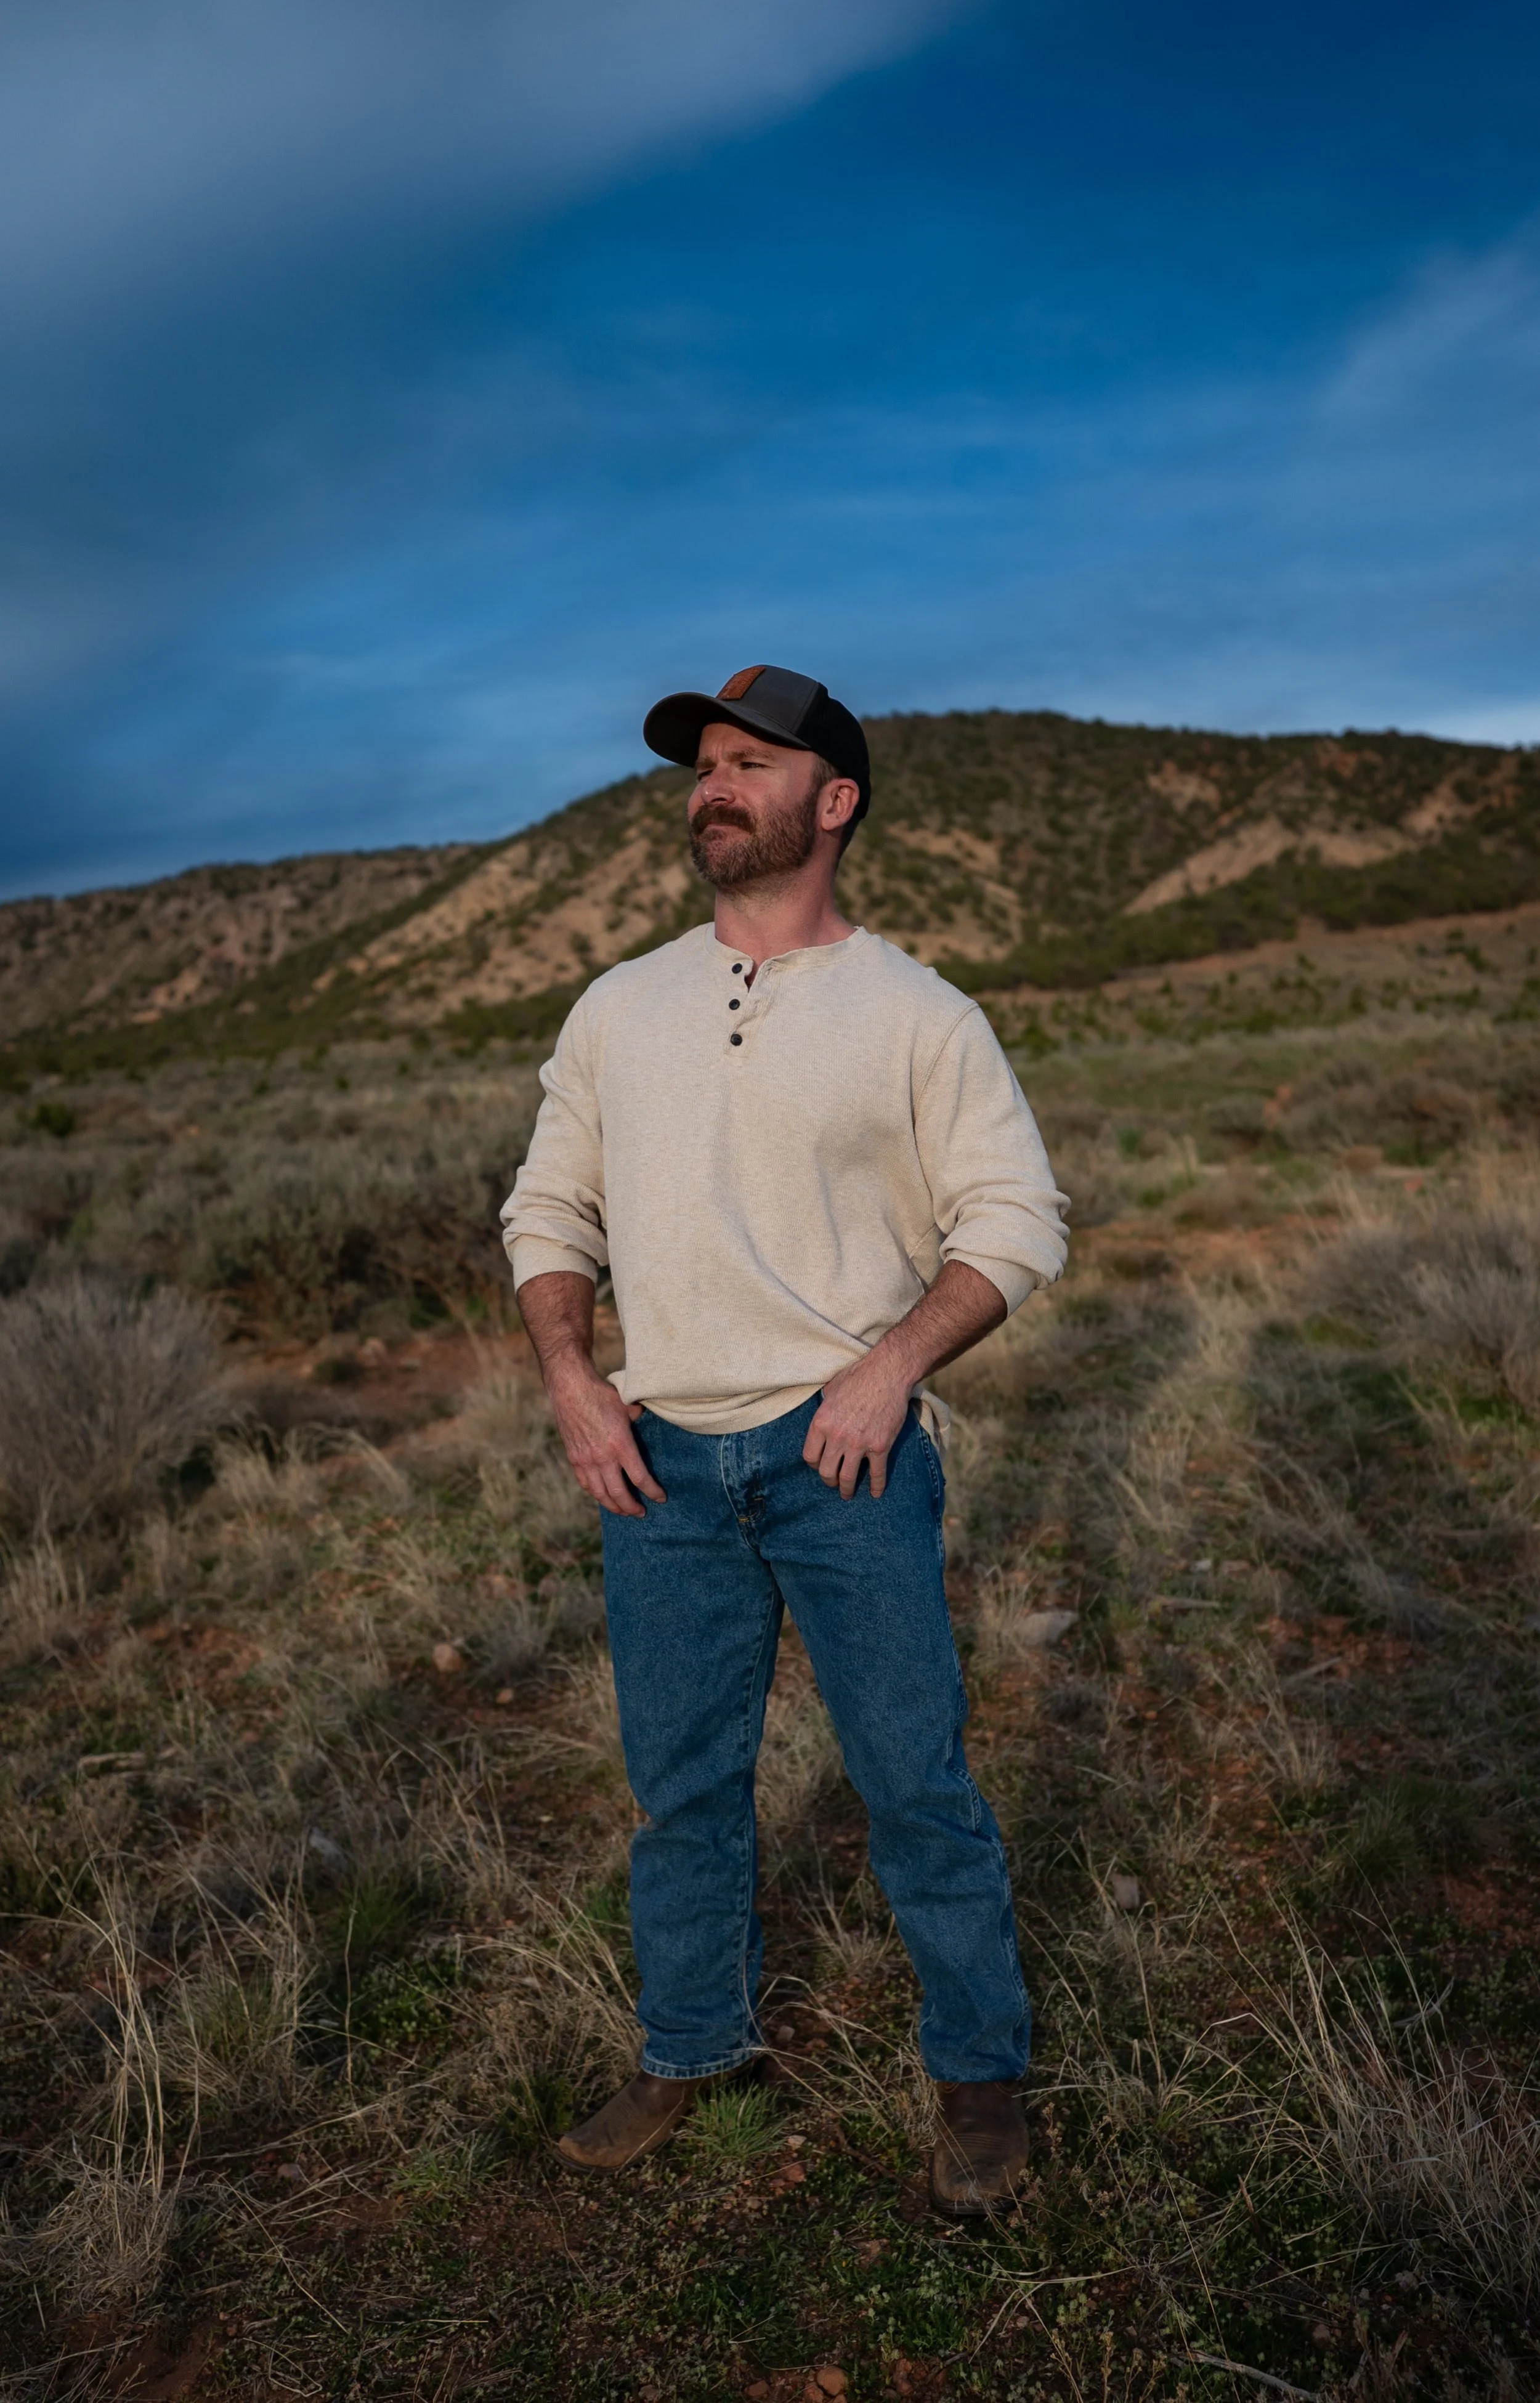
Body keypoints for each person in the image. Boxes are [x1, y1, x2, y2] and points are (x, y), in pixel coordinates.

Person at [500, 664, 1068, 2215]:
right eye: (700, 766)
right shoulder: (619, 1007)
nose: (709, 786)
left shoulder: (917, 1016)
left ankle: (976, 2081)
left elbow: (1016, 1221)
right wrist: (570, 1372)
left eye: (748, 762)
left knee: (914, 1785)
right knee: (679, 1792)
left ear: (833, 801)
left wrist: (889, 1366)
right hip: (658, 1460)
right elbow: (550, 1207)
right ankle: (691, 2046)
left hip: (848, 1458)